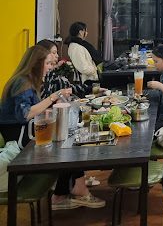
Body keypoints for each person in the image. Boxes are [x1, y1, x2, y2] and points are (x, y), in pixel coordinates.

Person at [0, 45, 104, 210]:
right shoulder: (22, 82)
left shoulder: (29, 81)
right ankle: (70, 191)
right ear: (36, 63)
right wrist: (53, 97)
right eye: (48, 63)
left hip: (25, 130)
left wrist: (53, 108)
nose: (50, 67)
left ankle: (71, 188)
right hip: (17, 135)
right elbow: (25, 114)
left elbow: (34, 111)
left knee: (71, 139)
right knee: (67, 145)